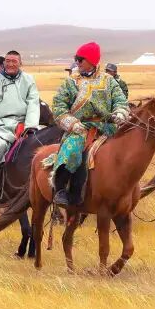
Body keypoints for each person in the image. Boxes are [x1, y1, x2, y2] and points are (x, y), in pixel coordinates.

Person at [50, 42, 129, 206]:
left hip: (107, 127)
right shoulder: (70, 82)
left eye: (80, 59)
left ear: (92, 61)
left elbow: (120, 100)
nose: (77, 63)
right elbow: (58, 106)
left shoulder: (109, 81)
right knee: (72, 149)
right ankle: (61, 190)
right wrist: (71, 123)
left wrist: (121, 112)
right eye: (76, 59)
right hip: (80, 128)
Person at [0, 50, 41, 194]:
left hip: (24, 123)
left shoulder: (28, 79)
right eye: (8, 61)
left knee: (44, 142)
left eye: (14, 61)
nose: (11, 64)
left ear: (20, 63)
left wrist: (30, 125)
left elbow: (33, 102)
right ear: (4, 63)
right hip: (1, 123)